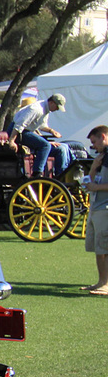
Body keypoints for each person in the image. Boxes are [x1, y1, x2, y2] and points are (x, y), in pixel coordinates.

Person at [11, 92, 69, 177]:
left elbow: (41, 125)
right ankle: (37, 173)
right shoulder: (36, 109)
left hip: (26, 132)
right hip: (19, 132)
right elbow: (19, 125)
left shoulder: (45, 110)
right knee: (45, 146)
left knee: (58, 149)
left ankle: (60, 176)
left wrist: (51, 131)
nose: (57, 109)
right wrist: (12, 140)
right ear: (51, 102)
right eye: (57, 107)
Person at [80, 125, 108, 295]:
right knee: (99, 248)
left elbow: (97, 184)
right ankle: (101, 282)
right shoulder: (102, 157)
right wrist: (93, 167)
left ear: (103, 136)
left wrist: (96, 187)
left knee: (105, 248)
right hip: (97, 207)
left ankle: (106, 284)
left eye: (95, 141)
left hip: (105, 208)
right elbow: (92, 180)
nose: (93, 146)